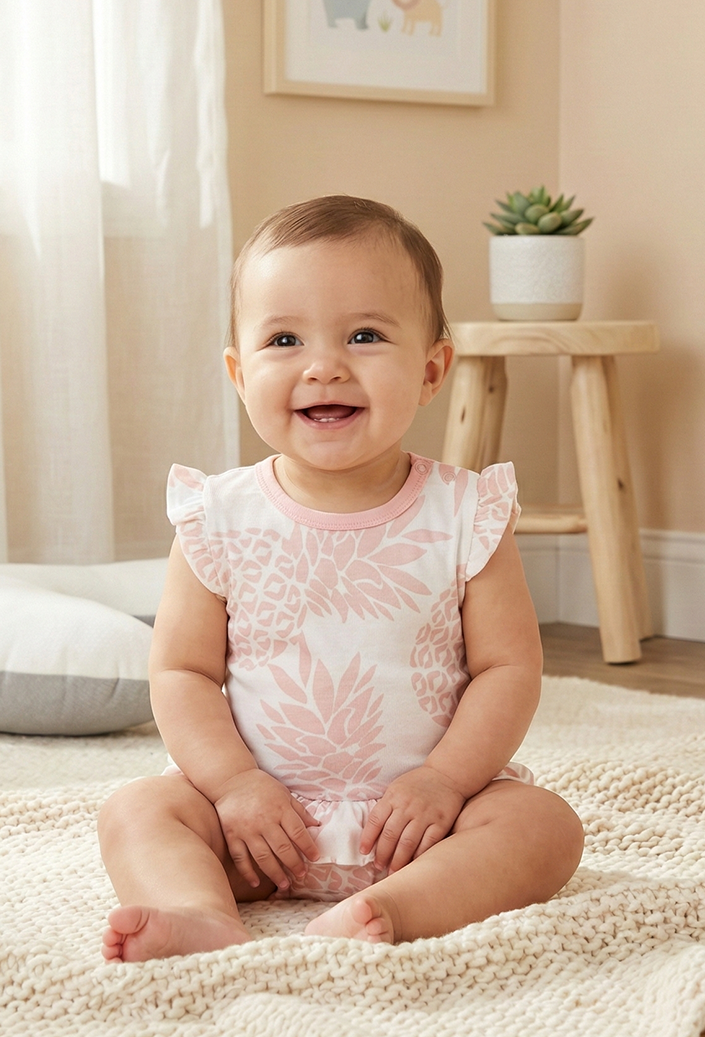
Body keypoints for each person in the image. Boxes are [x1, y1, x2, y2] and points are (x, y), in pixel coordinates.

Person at [98, 195, 584, 962]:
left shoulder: (467, 514)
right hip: (258, 831)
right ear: (238, 372)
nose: (323, 364)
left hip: (420, 827)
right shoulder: (215, 516)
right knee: (137, 810)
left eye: (364, 335)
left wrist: (447, 783)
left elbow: (508, 666)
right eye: (284, 339)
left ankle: (396, 906)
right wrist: (231, 788)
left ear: (431, 370)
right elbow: (182, 671)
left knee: (546, 827)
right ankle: (201, 911)